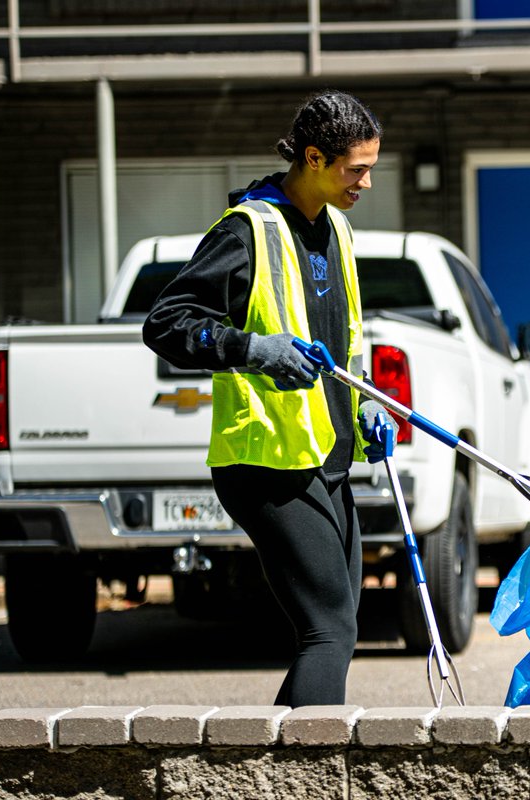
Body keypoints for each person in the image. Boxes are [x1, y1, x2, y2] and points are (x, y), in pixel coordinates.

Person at [142, 90, 392, 706]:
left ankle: (278, 770)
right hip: (265, 463)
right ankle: (310, 777)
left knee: (336, 628)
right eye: (356, 168)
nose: (367, 181)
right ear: (313, 157)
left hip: (327, 459)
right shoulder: (246, 230)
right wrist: (256, 350)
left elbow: (350, 336)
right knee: (328, 629)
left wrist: (366, 402)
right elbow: (165, 324)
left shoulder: (338, 228)